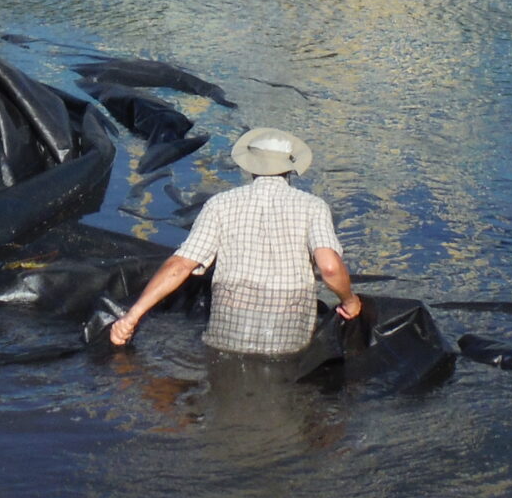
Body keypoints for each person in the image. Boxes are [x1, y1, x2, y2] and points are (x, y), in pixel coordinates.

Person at [108, 126, 363, 356]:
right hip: (288, 338)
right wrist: (350, 301)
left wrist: (131, 318)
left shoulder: (220, 204)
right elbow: (329, 268)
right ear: (290, 166)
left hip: (228, 335)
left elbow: (179, 266)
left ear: (250, 166)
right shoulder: (313, 207)